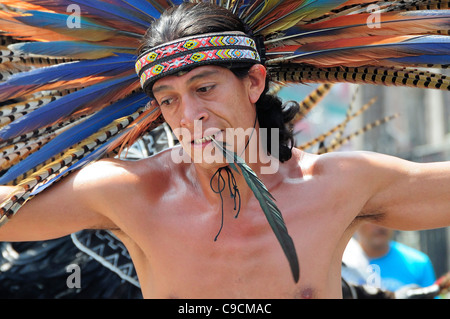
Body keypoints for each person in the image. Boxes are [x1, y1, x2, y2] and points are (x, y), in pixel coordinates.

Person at [0, 2, 449, 299]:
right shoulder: (127, 193)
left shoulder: (341, 185)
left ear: (253, 82)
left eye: (205, 88)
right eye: (169, 99)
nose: (189, 114)